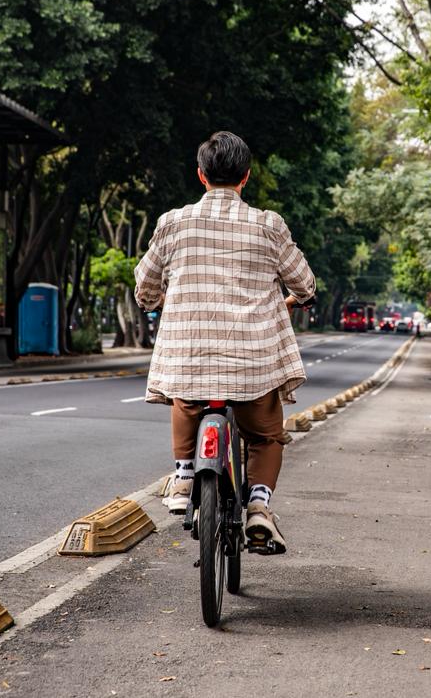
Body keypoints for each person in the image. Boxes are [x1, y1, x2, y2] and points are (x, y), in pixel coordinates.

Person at [134, 131, 315, 555]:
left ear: (200, 175)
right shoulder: (268, 225)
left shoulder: (172, 222)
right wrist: (294, 298)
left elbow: (145, 286)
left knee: (185, 399)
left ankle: (182, 475)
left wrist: (157, 300)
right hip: (253, 363)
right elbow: (304, 283)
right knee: (266, 437)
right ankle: (258, 506)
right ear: (245, 178)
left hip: (191, 359)